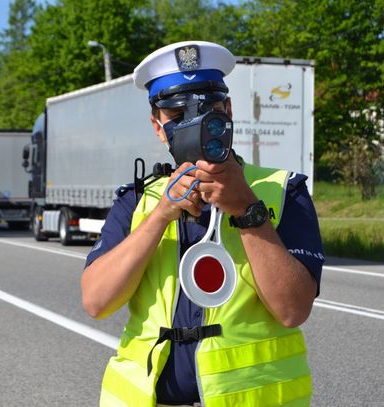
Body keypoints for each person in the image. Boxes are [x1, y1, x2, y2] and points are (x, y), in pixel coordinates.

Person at [81, 41, 324, 407]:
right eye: (177, 115)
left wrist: (247, 209)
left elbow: (292, 310)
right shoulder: (136, 200)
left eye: (207, 110)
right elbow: (96, 301)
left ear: (228, 110)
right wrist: (161, 215)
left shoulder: (282, 192)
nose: (193, 125)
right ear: (158, 127)